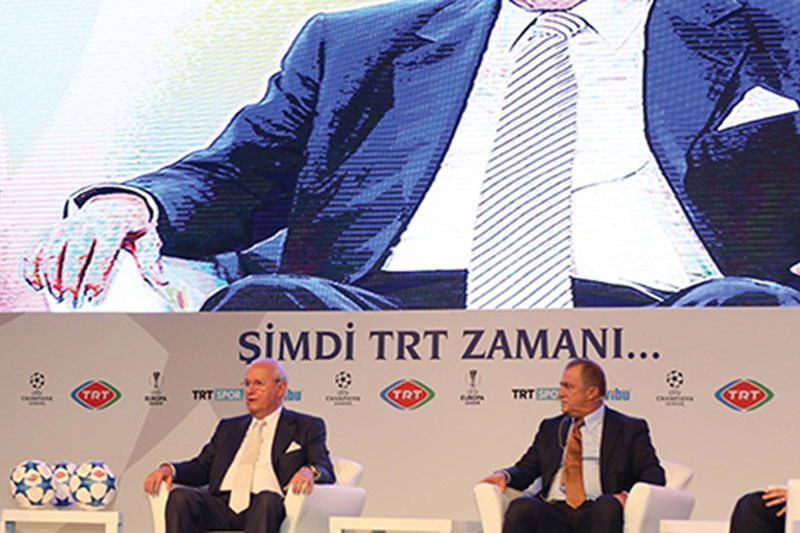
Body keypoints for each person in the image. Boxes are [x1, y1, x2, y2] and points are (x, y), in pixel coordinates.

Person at [22, 0, 800, 310]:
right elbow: (241, 172)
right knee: (276, 306)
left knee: (749, 316)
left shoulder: (771, 21)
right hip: (389, 316)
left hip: (659, 312)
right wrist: (126, 206)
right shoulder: (358, 43)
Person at [143, 358, 335, 533]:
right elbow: (201, 468)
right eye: (247, 384)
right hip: (222, 505)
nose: (250, 391)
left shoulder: (306, 426)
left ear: (281, 388)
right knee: (180, 498)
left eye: (258, 383)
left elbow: (324, 467)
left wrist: (309, 471)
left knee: (267, 500)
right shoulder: (229, 427)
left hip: (266, 506)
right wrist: (170, 469)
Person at [479, 360, 665, 533]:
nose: (560, 394)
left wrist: (626, 496)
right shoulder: (551, 427)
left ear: (592, 393)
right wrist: (505, 475)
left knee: (608, 507)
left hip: (597, 509)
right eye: (561, 386)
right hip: (554, 510)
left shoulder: (629, 428)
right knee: (522, 507)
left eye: (568, 387)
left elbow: (654, 475)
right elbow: (526, 469)